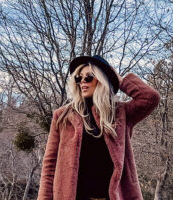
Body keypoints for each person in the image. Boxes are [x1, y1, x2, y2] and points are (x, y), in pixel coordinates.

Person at [37, 55, 160, 200]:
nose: (82, 81)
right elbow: (50, 166)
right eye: (78, 77)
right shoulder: (63, 116)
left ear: (102, 80)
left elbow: (150, 98)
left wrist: (119, 80)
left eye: (89, 77)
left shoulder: (121, 113)